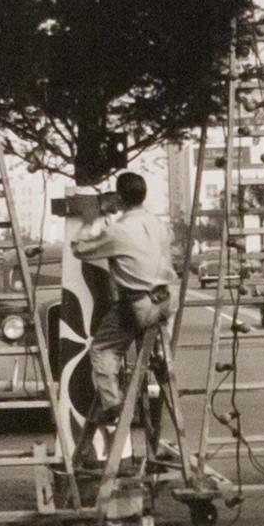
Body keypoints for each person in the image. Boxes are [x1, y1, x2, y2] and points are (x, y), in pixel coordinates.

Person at [70, 171, 175, 424]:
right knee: (153, 341)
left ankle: (112, 403)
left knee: (103, 349)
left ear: (119, 197)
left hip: (140, 304)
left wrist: (92, 218)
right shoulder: (160, 225)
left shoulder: (119, 231)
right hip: (166, 302)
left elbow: (79, 248)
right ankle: (161, 359)